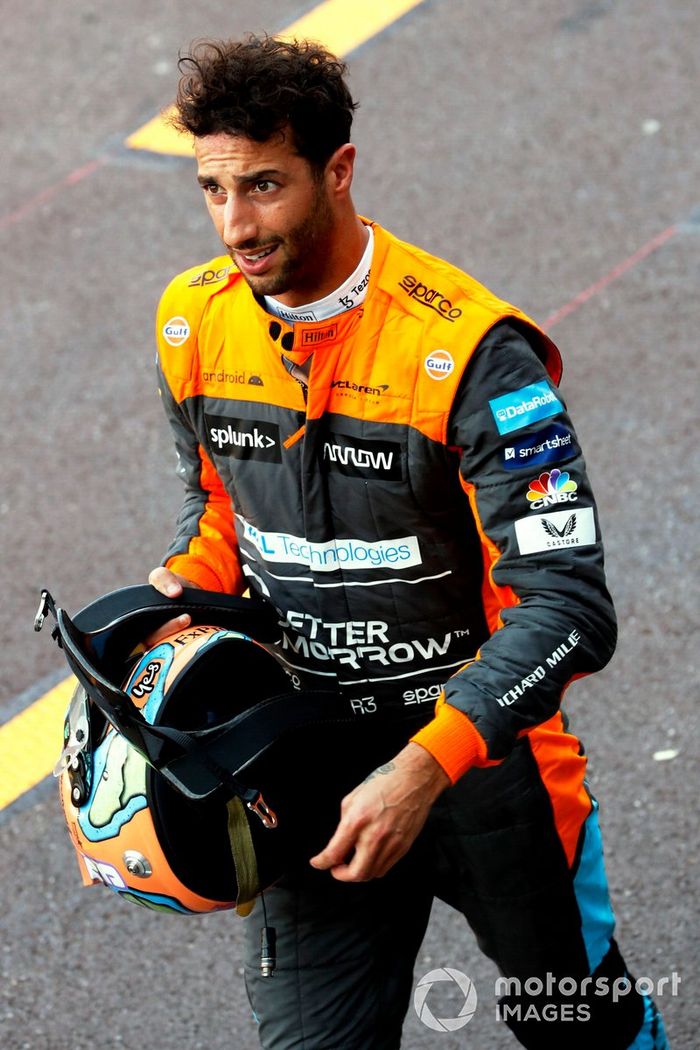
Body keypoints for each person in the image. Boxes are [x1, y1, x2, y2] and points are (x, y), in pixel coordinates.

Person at [147, 34, 668, 1049]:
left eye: (262, 186)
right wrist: (174, 600)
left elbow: (568, 607)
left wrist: (425, 765)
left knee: (585, 1033)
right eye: (211, 188)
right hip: (308, 778)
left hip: (488, 773)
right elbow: (218, 514)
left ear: (337, 170)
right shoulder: (189, 322)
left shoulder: (474, 353)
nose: (234, 225)